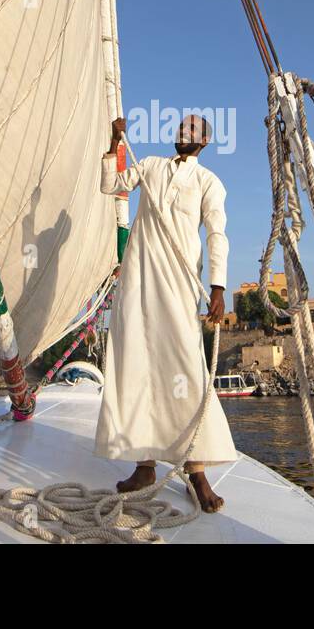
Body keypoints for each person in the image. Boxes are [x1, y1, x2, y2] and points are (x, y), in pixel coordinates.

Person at [94, 113, 236, 513]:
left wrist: (218, 286)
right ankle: (144, 464)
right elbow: (111, 185)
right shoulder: (151, 165)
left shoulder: (209, 182)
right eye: (179, 127)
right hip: (138, 280)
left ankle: (196, 469)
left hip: (178, 283)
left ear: (205, 141)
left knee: (185, 365)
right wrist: (114, 142)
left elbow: (217, 233)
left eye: (191, 129)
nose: (182, 133)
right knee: (136, 362)